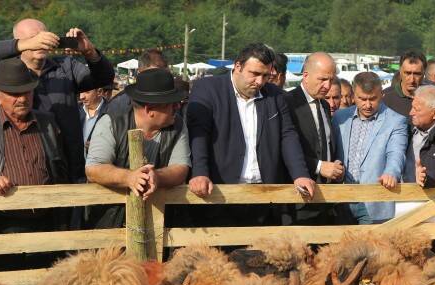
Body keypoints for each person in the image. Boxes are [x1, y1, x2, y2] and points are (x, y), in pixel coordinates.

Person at [187, 43, 314, 226]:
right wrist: (199, 173)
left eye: (265, 76)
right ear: (238, 66)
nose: (260, 82)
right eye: (254, 74)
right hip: (220, 193)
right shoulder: (207, 89)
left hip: (265, 195)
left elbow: (288, 136)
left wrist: (300, 174)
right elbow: (199, 133)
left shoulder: (276, 96)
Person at [0, 19, 114, 183]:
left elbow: (103, 78)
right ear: (19, 42)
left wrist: (89, 51)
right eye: (34, 38)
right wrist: (22, 45)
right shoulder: (8, 72)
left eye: (44, 36)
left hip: (69, 168)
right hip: (21, 168)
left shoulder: (66, 66)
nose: (40, 41)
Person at [85, 68, 191, 228]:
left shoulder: (178, 125)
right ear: (149, 110)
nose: (177, 107)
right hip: (110, 220)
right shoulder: (110, 123)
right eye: (171, 103)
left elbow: (181, 168)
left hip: (161, 221)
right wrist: (129, 178)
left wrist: (158, 177)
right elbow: (93, 169)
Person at [0, 57, 68, 233]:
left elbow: (61, 169)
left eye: (27, 92)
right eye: (15, 94)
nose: (23, 99)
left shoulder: (48, 123)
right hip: (1, 223)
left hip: (47, 221)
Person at [333, 72, 408, 224]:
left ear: (381, 94)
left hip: (375, 200)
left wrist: (391, 173)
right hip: (341, 199)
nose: (367, 105)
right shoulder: (339, 117)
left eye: (373, 99)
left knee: (373, 248)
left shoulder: (396, 121)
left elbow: (396, 152)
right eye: (362, 99)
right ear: (353, 95)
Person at [284, 52, 344, 224]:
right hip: (298, 201)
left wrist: (334, 167)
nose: (327, 85)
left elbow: (323, 145)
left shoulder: (324, 105)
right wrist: (319, 166)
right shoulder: (287, 103)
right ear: (305, 75)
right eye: (322, 79)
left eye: (331, 80)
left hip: (325, 200)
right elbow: (284, 150)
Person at [106, 48, 169, 116]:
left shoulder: (172, 102)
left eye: (161, 75)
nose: (156, 80)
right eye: (152, 75)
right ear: (139, 72)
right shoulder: (118, 104)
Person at [382, 50, 426, 117]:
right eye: (407, 73)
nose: (412, 80)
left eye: (417, 74)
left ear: (424, 73)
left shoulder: (432, 98)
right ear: (400, 71)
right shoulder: (385, 98)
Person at [79, 86, 108, 157]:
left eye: (87, 92)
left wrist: (99, 146)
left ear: (99, 92)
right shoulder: (75, 110)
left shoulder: (111, 112)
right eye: (80, 91)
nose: (81, 96)